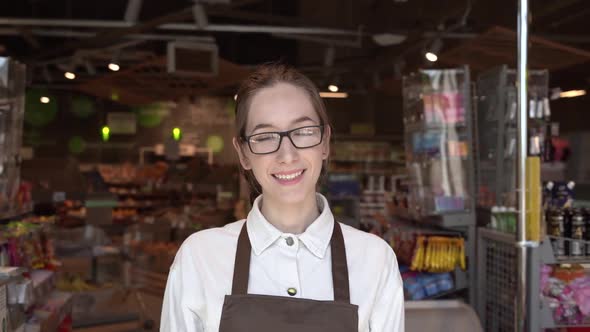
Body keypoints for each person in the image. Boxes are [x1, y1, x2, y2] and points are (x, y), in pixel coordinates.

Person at [160, 63, 404, 331]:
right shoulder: (200, 258)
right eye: (265, 137)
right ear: (243, 153)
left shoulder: (375, 259)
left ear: (324, 142)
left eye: (303, 132)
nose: (287, 155)